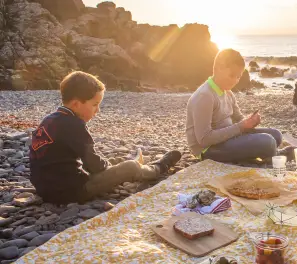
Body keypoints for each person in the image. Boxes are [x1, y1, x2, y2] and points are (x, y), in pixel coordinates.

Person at [29, 71, 182, 205]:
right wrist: (111, 169)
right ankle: (159, 167)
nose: (98, 110)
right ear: (76, 104)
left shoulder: (49, 120)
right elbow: (94, 165)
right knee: (131, 167)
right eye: (95, 105)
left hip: (45, 189)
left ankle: (130, 164)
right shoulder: (74, 124)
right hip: (71, 191)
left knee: (110, 162)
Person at [186, 48, 293, 163]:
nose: (235, 81)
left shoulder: (228, 93)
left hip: (227, 138)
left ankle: (268, 154)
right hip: (208, 150)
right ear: (217, 69)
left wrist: (250, 122)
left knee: (276, 135)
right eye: (232, 75)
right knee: (269, 142)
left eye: (238, 77)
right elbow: (204, 139)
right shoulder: (205, 96)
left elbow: (239, 119)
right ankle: (274, 155)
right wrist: (241, 127)